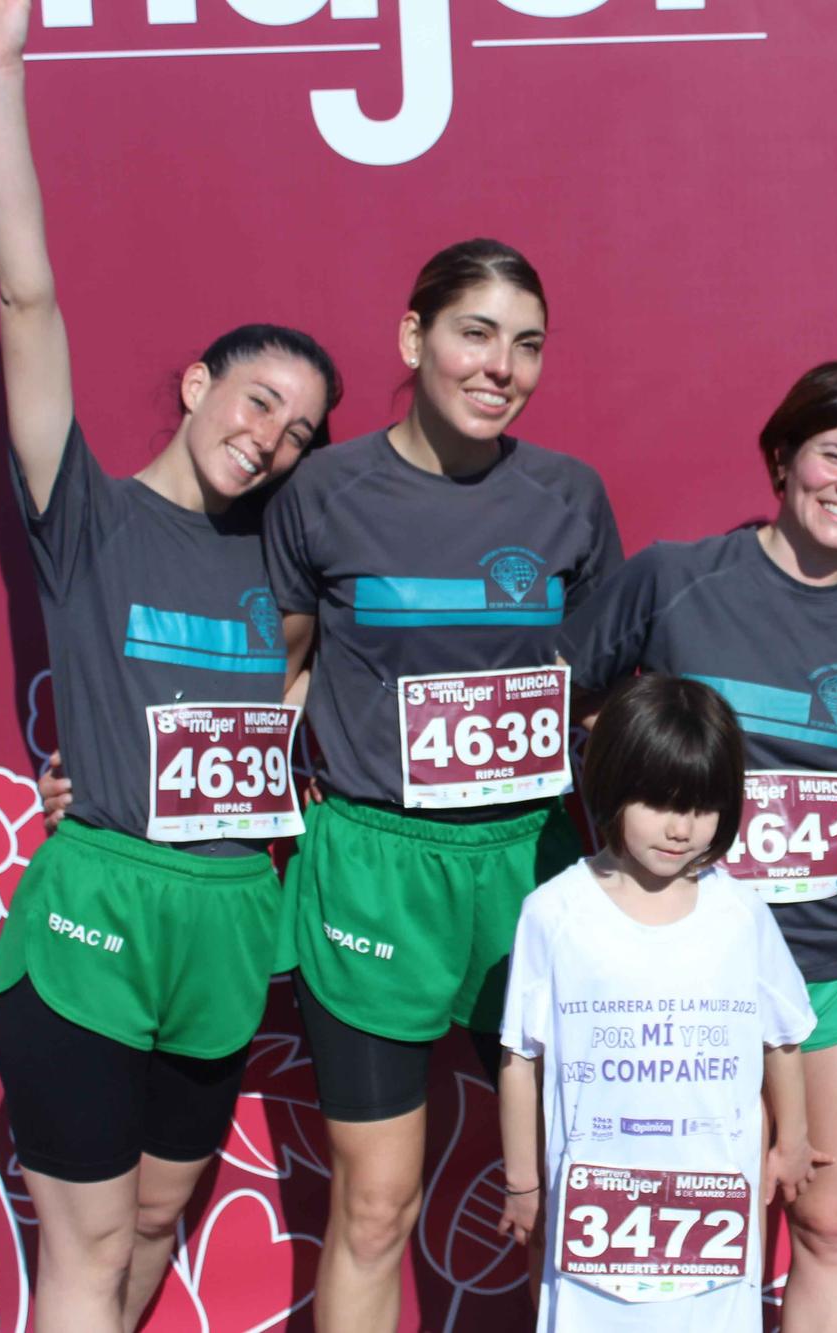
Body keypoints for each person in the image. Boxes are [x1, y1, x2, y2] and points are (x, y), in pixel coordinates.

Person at [0, 3, 340, 1330]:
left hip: (229, 926)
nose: (270, 438)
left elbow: (286, 716)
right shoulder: (89, 516)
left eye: (297, 432)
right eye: (256, 401)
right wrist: (0, 76)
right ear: (197, 383)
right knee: (89, 1244)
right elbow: (27, 296)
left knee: (156, 1226)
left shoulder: (285, 569)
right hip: (95, 922)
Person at [261, 239, 623, 1331]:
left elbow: (598, 697)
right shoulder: (324, 490)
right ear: (415, 338)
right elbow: (275, 675)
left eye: (526, 346)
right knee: (374, 1206)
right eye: (475, 333)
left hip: (530, 867)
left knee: (569, 1182)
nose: (499, 366)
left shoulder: (570, 495)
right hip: (373, 870)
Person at [556, 361, 837, 1330]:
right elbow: (563, 705)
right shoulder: (673, 578)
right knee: (686, 1232)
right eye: (834, 452)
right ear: (782, 455)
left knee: (824, 1223)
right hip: (691, 972)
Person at [496, 673, 823, 1331]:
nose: (681, 827)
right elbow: (518, 1059)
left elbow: (780, 1038)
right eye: (659, 801)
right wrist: (524, 1183)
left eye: (702, 806)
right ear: (612, 781)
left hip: (713, 1215)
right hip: (592, 1213)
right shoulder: (554, 914)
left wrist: (793, 1138)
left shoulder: (742, 914)